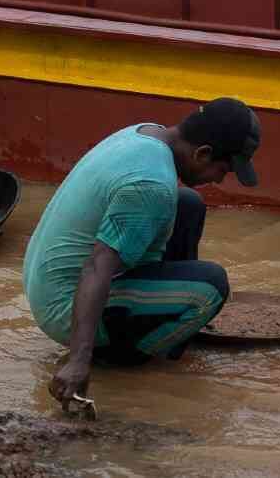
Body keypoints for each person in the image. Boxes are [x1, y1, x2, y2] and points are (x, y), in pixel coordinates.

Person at [22, 97, 261, 407]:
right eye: (222, 170)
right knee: (210, 286)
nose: (218, 179)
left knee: (188, 204)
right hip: (63, 307)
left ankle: (159, 324)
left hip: (44, 281)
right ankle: (123, 358)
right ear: (203, 153)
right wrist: (79, 361)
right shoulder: (151, 185)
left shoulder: (145, 133)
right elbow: (97, 266)